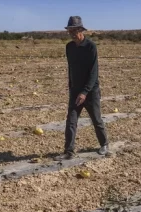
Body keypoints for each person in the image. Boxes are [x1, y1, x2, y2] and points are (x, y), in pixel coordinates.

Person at [54, 16, 109, 161]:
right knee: (71, 121)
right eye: (69, 30)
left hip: (90, 92)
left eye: (74, 30)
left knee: (96, 119)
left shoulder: (91, 47)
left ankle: (104, 144)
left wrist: (85, 92)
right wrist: (72, 87)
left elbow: (93, 72)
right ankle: (69, 151)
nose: (71, 33)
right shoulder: (69, 47)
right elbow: (71, 69)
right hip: (75, 91)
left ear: (81, 30)